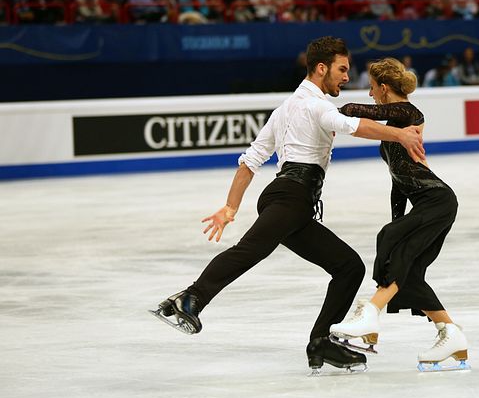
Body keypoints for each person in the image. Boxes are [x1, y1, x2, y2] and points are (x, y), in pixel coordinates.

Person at [151, 37, 426, 374]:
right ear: (321, 68)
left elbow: (250, 162)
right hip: (292, 196)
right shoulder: (316, 106)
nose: (346, 76)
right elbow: (353, 126)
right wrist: (400, 135)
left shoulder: (285, 109)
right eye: (342, 69)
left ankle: (321, 342)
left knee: (349, 267)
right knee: (250, 250)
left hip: (291, 199)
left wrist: (230, 208)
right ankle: (191, 299)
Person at [330, 58, 469, 371]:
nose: (370, 93)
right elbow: (398, 181)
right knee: (408, 272)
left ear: (382, 87)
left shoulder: (409, 112)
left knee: (392, 242)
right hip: (426, 203)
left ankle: (370, 313)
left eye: (372, 87)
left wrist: (329, 112)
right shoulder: (392, 127)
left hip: (437, 199)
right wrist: (398, 221)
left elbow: (366, 112)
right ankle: (451, 334)